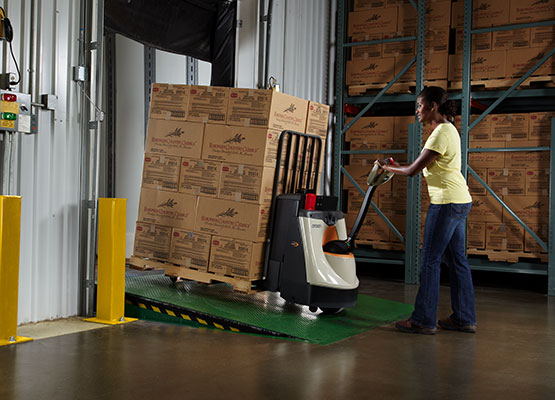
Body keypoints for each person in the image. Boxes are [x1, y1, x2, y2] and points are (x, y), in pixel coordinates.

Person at [376, 86, 476, 335]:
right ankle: (464, 318)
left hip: (446, 203)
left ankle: (423, 320)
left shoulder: (440, 132)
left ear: (433, 106)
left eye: (420, 105)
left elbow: (412, 172)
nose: (417, 110)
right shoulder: (449, 129)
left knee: (430, 260)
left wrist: (386, 168)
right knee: (457, 261)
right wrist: (398, 165)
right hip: (460, 200)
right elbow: (417, 165)